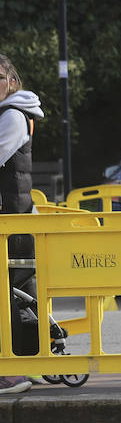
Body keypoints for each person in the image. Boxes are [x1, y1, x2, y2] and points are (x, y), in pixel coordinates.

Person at [0, 54, 42, 394]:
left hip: (11, 219)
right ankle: (30, 360)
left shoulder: (12, 116)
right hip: (15, 215)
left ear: (12, 81)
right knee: (18, 291)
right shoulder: (12, 113)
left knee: (6, 292)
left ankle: (11, 370)